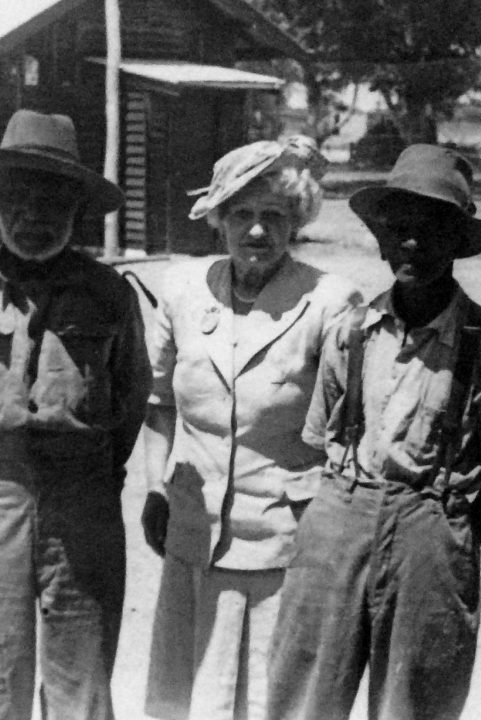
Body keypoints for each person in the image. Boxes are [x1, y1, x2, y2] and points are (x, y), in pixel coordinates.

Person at [266, 143, 481, 720]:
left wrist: (443, 544)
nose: (413, 243)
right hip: (340, 518)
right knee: (305, 692)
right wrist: (335, 527)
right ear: (382, 237)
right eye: (400, 228)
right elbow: (318, 442)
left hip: (432, 533)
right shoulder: (350, 332)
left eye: (433, 228)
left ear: (459, 241)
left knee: (413, 701)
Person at [0, 110, 151, 720]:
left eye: (51, 200)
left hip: (83, 505)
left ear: (76, 208)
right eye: (17, 197)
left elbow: (129, 400)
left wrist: (93, 481)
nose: (33, 215)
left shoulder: (111, 294)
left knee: (83, 681)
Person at [140, 136, 361, 720]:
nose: (257, 231)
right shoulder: (184, 290)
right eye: (242, 214)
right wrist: (155, 485)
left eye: (274, 216)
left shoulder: (330, 301)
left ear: (297, 222)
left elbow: (349, 429)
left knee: (268, 700)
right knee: (190, 696)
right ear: (219, 221)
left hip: (283, 543)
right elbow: (157, 398)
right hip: (193, 531)